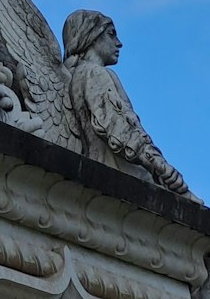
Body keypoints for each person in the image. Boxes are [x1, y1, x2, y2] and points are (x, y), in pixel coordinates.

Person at [62, 11, 189, 195]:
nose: (119, 43)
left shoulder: (78, 76)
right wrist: (157, 164)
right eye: (111, 34)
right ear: (91, 37)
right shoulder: (94, 73)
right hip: (120, 175)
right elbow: (117, 126)